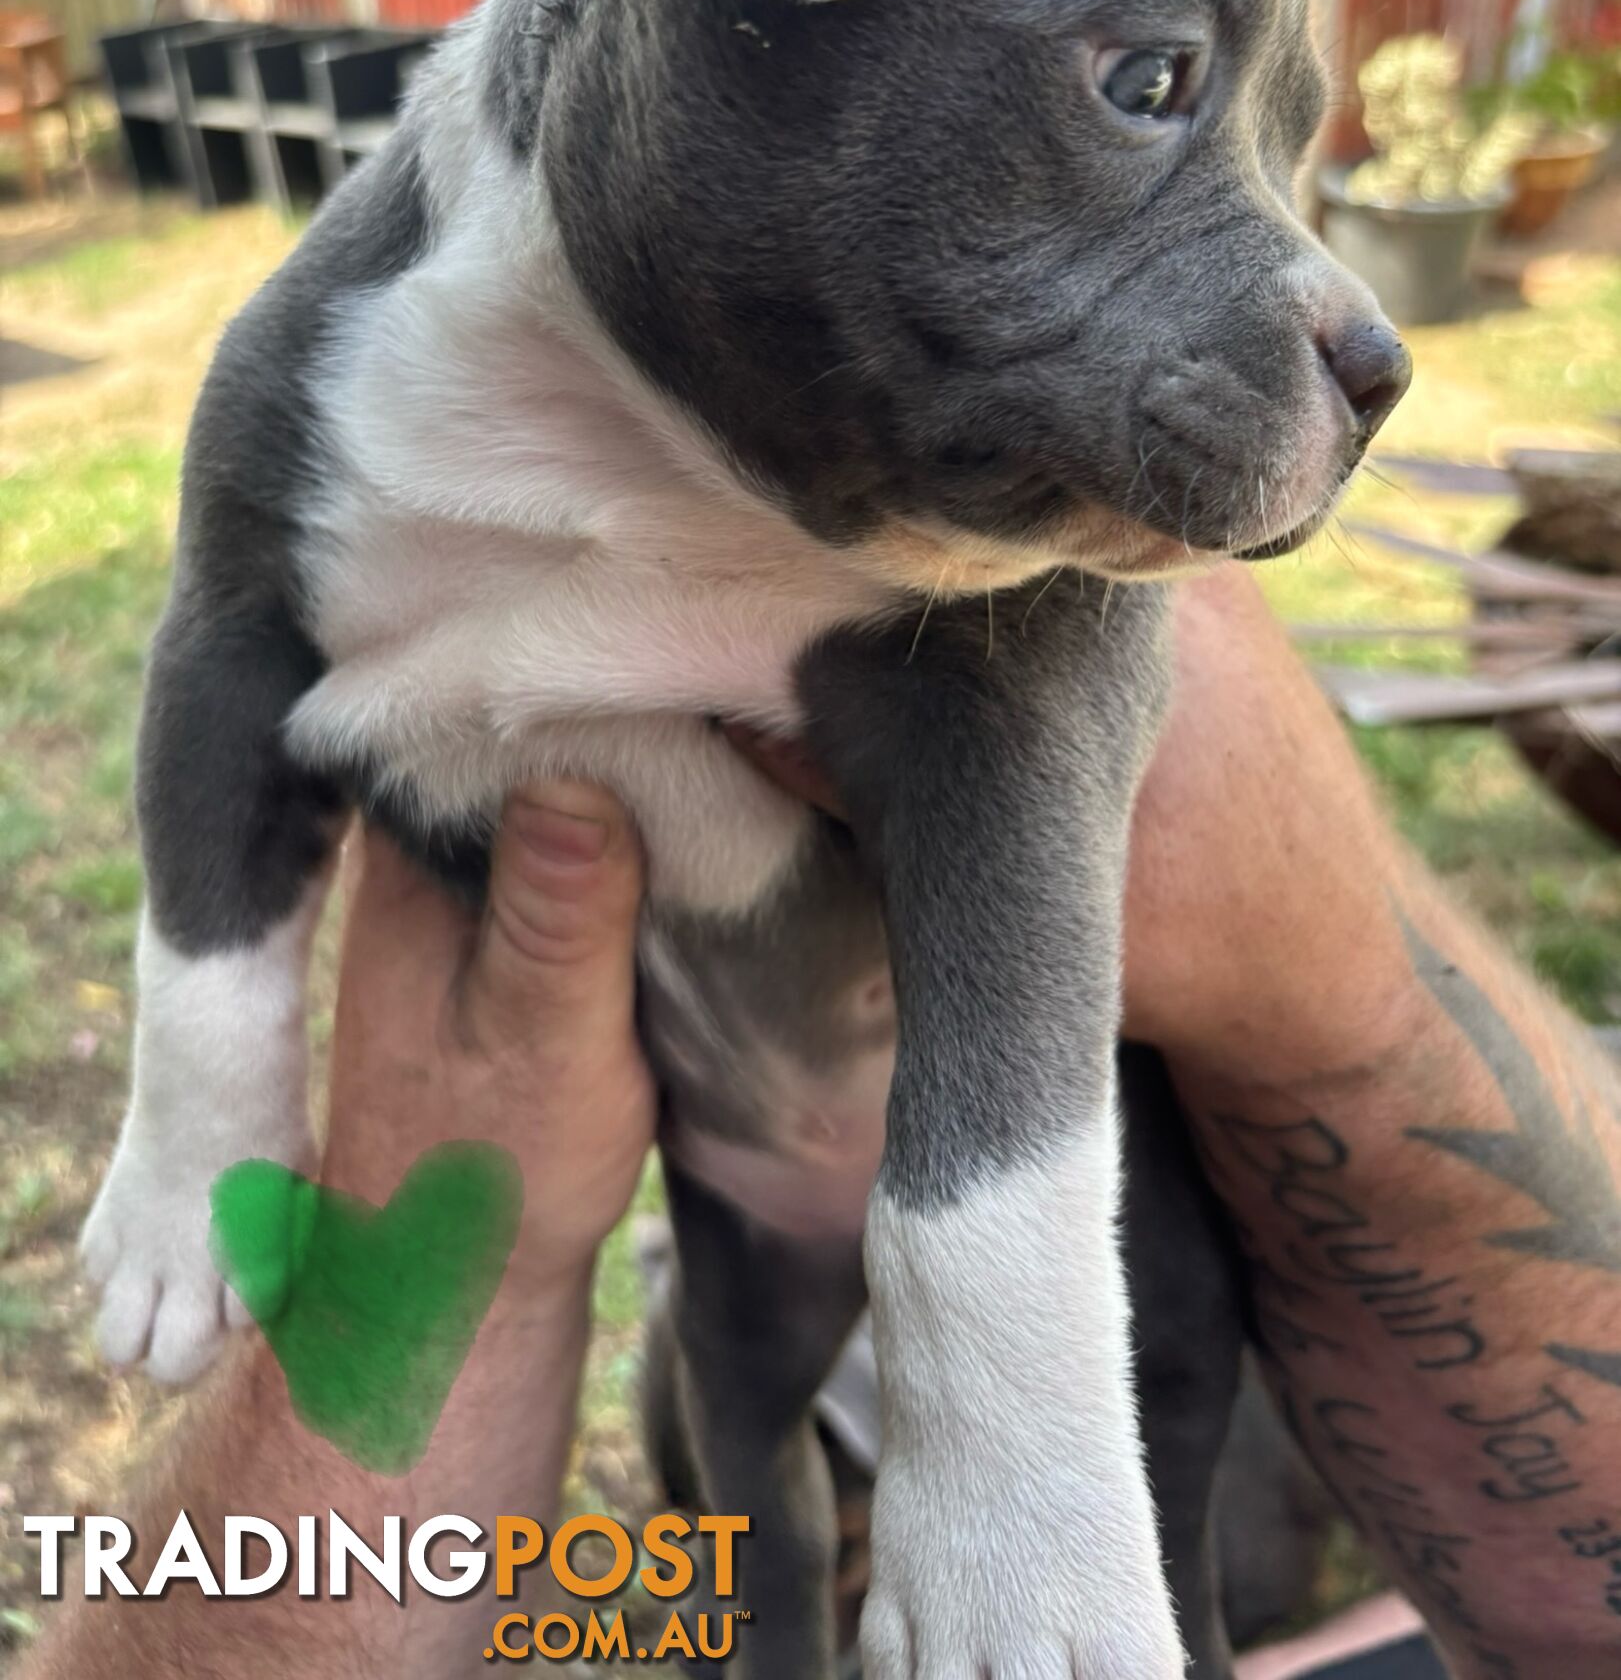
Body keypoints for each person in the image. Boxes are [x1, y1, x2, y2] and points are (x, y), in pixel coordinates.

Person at [23, 569, 1621, 1679]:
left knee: (1167, 1535)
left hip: (1056, 1186)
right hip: (739, 1177)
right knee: (735, 1531)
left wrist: (1347, 1005)